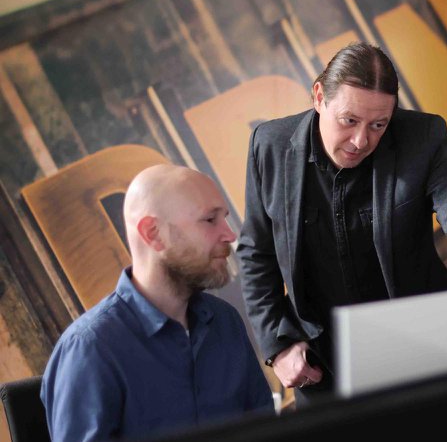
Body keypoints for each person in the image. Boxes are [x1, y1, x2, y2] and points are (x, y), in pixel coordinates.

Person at [237, 42, 447, 406]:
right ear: (319, 97)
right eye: (349, 120)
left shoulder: (422, 137)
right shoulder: (269, 146)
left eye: (378, 125)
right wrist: (278, 346)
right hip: (325, 366)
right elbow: (255, 252)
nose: (361, 140)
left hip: (427, 342)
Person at [40, 165, 274, 441]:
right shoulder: (91, 349)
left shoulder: (225, 321)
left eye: (223, 218)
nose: (230, 234)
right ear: (153, 233)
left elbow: (266, 430)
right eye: (210, 220)